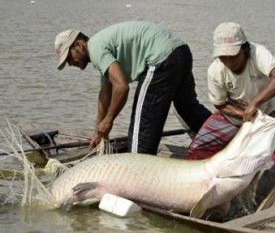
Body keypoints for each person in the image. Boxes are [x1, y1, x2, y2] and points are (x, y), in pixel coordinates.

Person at [54, 21, 211, 154]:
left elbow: (121, 88)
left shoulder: (96, 49)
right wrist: (99, 131)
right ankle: (224, 137)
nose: (70, 63)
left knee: (141, 133)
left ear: (80, 45)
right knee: (188, 108)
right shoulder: (100, 46)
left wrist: (108, 121)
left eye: (69, 57)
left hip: (160, 58)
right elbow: (105, 93)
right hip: (180, 50)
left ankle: (138, 177)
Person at [187, 22, 275, 168]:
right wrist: (244, 114)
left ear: (245, 49)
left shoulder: (258, 53)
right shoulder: (215, 70)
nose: (228, 61)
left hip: (266, 112)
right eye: (223, 56)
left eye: (233, 55)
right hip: (231, 116)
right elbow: (220, 104)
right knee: (197, 149)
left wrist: (254, 104)